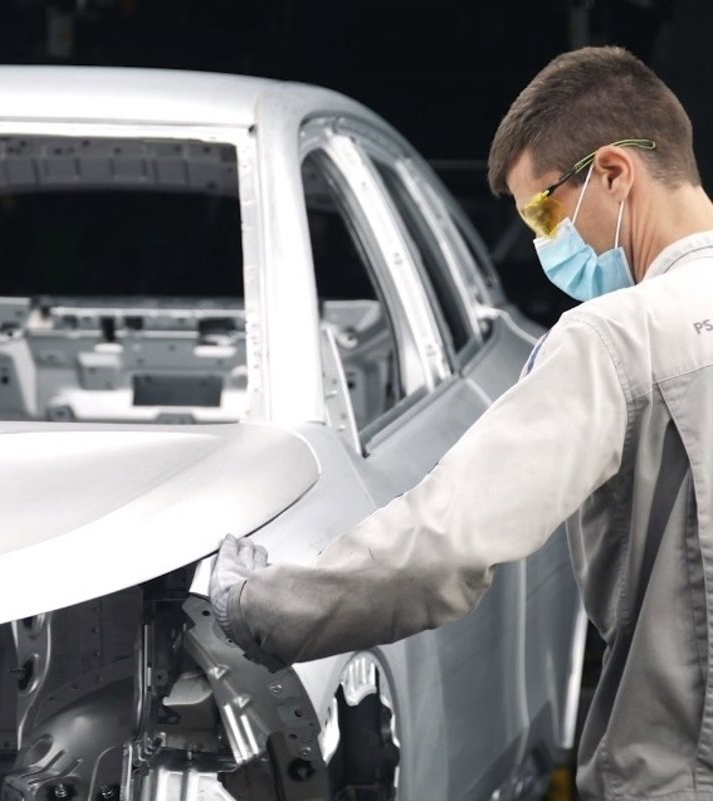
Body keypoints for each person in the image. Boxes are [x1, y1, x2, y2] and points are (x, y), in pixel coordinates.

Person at [210, 45, 713, 800]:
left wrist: (257, 607)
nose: (544, 245)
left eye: (544, 212)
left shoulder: (617, 340)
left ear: (614, 173)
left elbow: (445, 543)